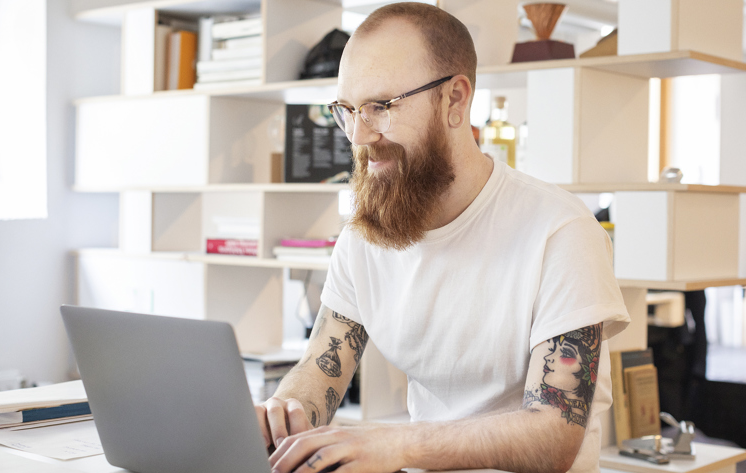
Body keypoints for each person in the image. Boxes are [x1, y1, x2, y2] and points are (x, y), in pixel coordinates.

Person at [258, 3, 630, 472]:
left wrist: (396, 445)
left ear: (455, 99)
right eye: (347, 110)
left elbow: (554, 433)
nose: (359, 135)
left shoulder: (561, 231)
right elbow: (320, 368)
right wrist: (282, 414)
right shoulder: (366, 235)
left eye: (381, 107)